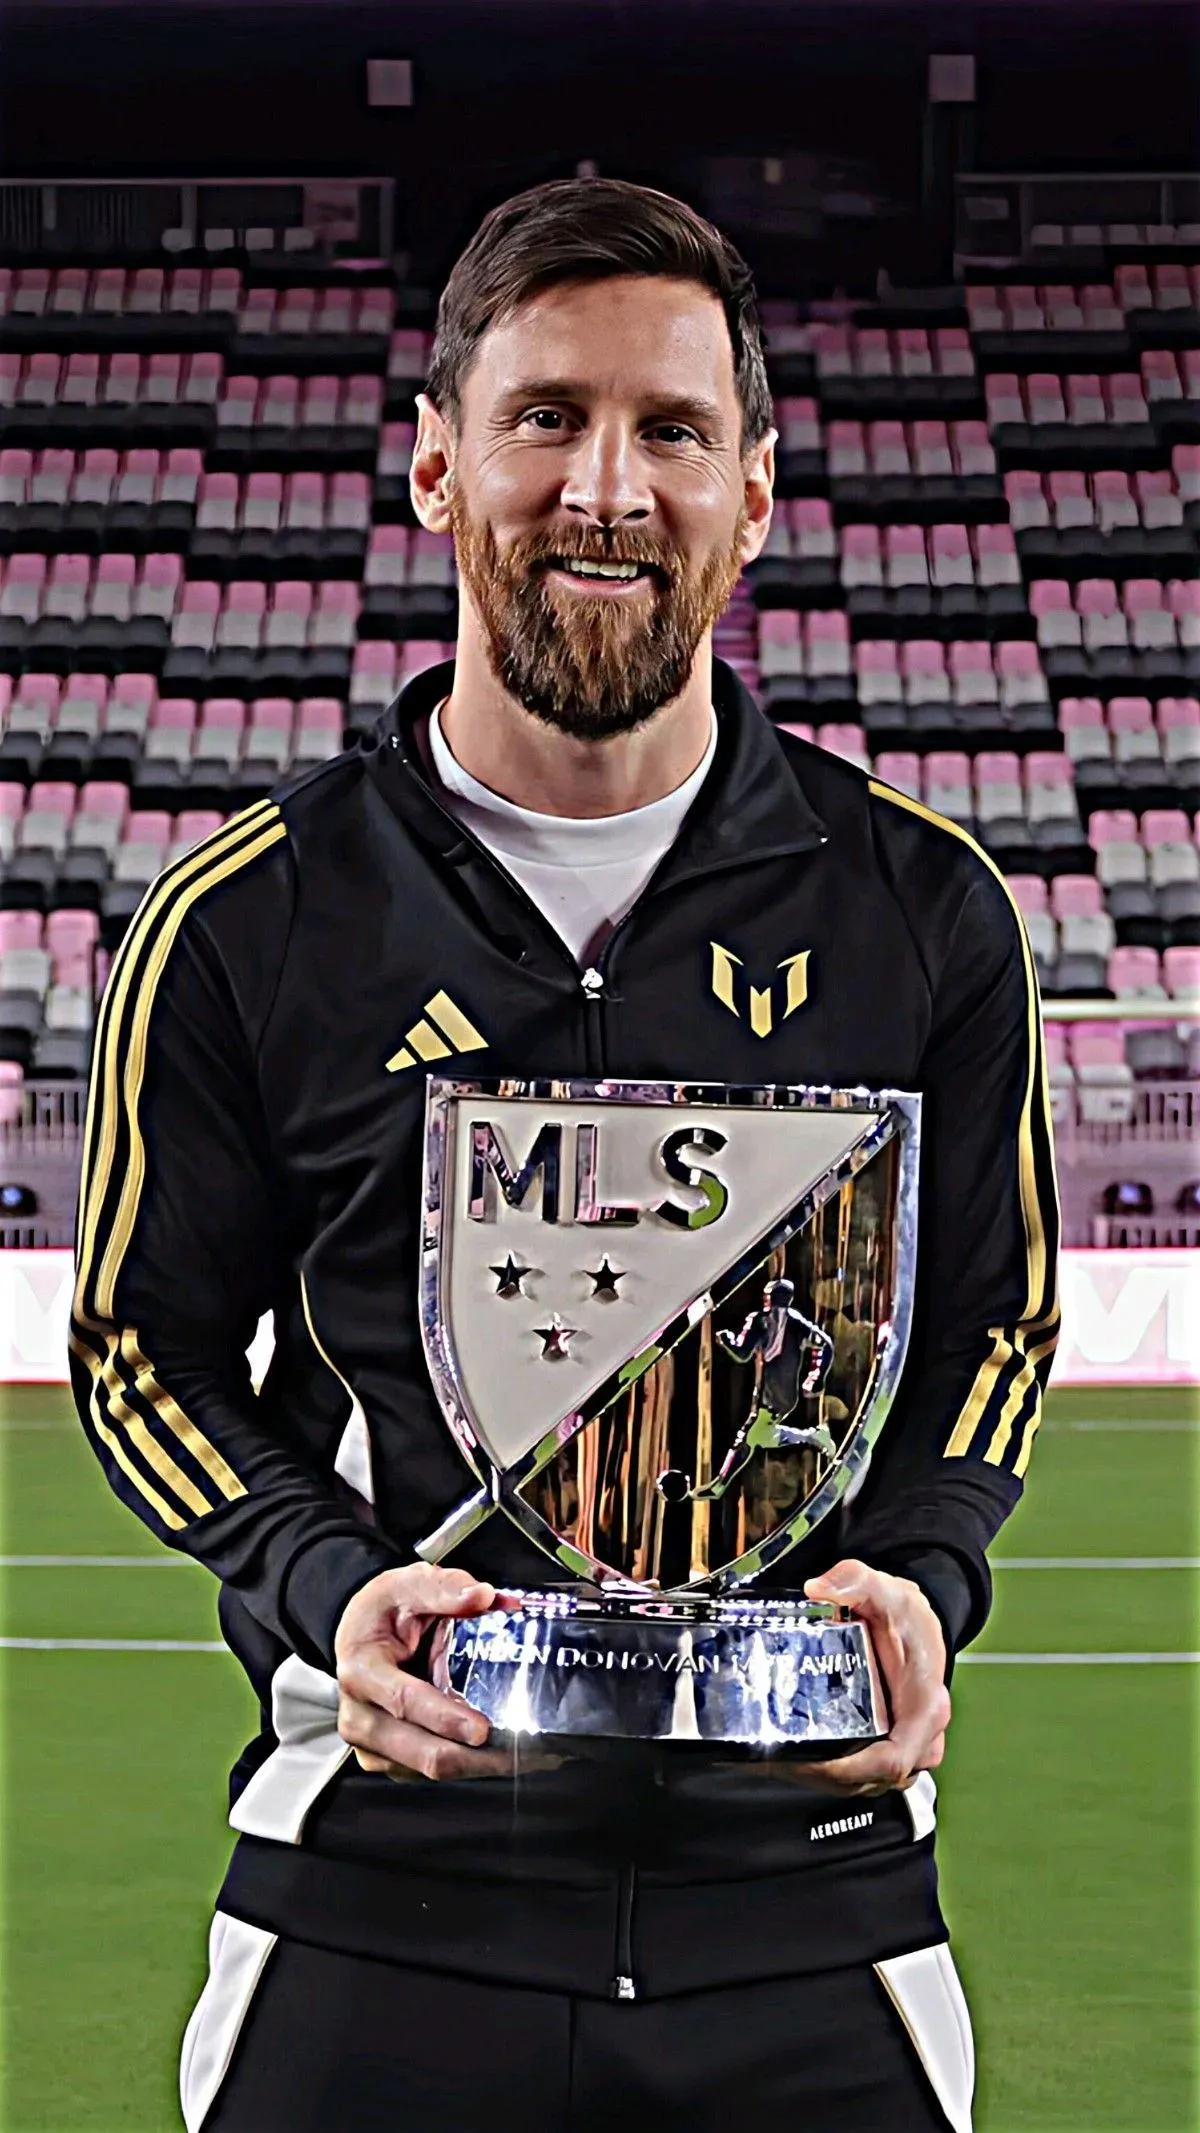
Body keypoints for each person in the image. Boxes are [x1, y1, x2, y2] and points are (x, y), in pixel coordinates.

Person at [69, 178, 1060, 2133]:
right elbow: (136, 1346)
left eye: (671, 428)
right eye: (546, 416)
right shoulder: (246, 921)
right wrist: (322, 1577)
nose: (606, 489)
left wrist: (929, 1573)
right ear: (438, 464)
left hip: (812, 1906)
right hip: (376, 1891)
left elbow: (996, 1326)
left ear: (752, 497)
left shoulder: (924, 910)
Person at [658, 1277, 837, 1503]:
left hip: (770, 1397)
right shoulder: (795, 1322)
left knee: (750, 1438)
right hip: (783, 1395)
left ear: (769, 1298)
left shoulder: (762, 1321)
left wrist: (727, 1339)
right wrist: (816, 1377)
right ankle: (813, 1437)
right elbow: (825, 1344)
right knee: (753, 1438)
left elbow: (742, 1353)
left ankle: (813, 1438)